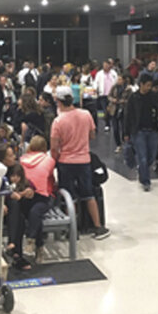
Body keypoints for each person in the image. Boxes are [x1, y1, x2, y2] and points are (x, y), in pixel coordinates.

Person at [50, 86, 110, 240]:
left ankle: (72, 230)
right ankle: (98, 227)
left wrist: (55, 159)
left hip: (66, 162)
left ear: (58, 102)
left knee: (69, 197)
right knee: (89, 194)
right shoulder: (86, 114)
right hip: (84, 160)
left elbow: (54, 147)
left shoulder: (58, 121)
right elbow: (92, 135)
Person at [124, 74, 158, 191]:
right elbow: (128, 116)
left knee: (151, 156)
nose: (149, 88)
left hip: (153, 130)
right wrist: (126, 133)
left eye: (150, 85)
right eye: (147, 85)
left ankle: (142, 170)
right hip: (138, 131)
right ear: (141, 84)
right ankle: (145, 181)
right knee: (143, 157)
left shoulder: (154, 96)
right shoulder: (134, 98)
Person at [20, 136, 55, 263]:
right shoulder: (49, 160)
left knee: (33, 213)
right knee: (35, 213)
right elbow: (49, 178)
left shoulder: (22, 159)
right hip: (44, 197)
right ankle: (37, 246)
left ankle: (33, 243)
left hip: (25, 196)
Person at [94, 60, 118, 132]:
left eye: (107, 65)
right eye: (104, 65)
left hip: (111, 95)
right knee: (105, 110)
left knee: (111, 110)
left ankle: (113, 123)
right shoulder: (99, 74)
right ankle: (107, 124)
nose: (105, 66)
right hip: (103, 94)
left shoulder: (113, 73)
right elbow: (96, 82)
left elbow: (116, 82)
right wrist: (95, 89)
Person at [108, 74, 127, 153]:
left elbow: (130, 99)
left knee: (123, 128)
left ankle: (124, 142)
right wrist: (112, 100)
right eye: (117, 79)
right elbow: (109, 96)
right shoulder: (114, 87)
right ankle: (118, 145)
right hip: (114, 109)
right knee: (115, 129)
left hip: (123, 110)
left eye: (120, 79)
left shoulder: (127, 89)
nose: (118, 81)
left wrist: (124, 101)